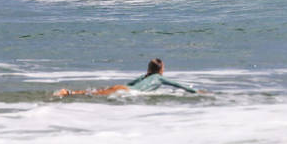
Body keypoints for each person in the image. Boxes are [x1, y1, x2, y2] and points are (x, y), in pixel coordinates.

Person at [54, 58, 199, 97]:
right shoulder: (159, 78)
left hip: (123, 88)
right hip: (127, 91)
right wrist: (197, 92)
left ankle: (69, 92)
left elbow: (130, 84)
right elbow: (179, 85)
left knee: (97, 92)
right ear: (161, 70)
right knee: (96, 94)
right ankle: (68, 93)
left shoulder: (144, 76)